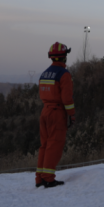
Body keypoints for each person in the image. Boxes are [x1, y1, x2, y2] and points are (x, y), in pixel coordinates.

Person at [36, 42, 76, 188]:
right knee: (54, 145)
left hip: (45, 112)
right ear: (64, 56)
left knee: (45, 146)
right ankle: (48, 178)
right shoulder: (64, 74)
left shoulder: (44, 74)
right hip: (57, 114)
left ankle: (39, 178)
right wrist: (72, 115)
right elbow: (67, 99)